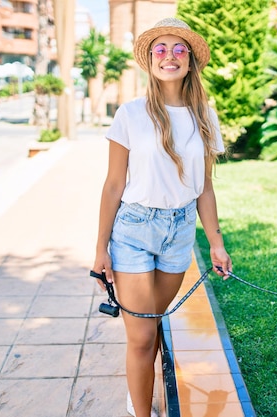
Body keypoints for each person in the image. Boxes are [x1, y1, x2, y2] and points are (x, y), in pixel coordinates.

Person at [91, 17, 233, 417]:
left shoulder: (205, 115)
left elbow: (204, 186)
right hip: (133, 229)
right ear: (150, 60)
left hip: (179, 232)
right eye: (160, 49)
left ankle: (142, 396)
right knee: (140, 337)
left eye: (178, 50)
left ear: (189, 61)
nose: (169, 56)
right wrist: (100, 249)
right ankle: (141, 412)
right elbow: (113, 185)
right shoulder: (130, 114)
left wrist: (216, 244)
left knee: (152, 325)